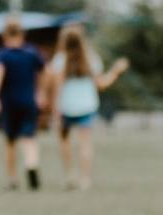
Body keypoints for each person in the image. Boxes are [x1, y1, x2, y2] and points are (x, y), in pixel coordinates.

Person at [42, 24, 128, 189]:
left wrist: (55, 109)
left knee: (64, 142)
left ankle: (69, 176)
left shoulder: (60, 60)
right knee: (85, 144)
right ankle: (85, 179)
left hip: (65, 107)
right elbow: (102, 84)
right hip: (87, 107)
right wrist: (116, 71)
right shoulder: (91, 58)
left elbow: (57, 86)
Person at [0, 17, 46, 190]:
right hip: (28, 100)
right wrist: (41, 93)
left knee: (10, 141)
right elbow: (44, 73)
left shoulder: (3, 55)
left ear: (4, 35)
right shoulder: (32, 53)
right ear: (22, 34)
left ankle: (12, 179)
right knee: (29, 138)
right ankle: (31, 164)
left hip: (9, 102)